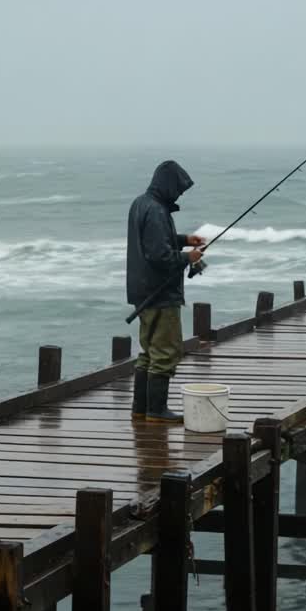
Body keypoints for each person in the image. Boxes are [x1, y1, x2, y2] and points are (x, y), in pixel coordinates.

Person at [126, 160, 205, 423]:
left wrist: (183, 240)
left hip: (142, 291)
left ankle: (141, 408)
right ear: (168, 185)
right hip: (160, 293)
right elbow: (160, 256)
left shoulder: (141, 203)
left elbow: (152, 241)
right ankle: (157, 411)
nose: (179, 194)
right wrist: (188, 257)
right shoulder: (157, 211)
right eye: (178, 189)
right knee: (165, 352)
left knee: (148, 352)